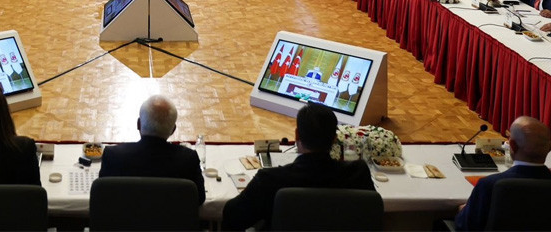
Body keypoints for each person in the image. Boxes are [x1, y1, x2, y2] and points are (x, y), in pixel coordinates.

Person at [221, 103, 373, 230]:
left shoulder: (269, 180)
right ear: (334, 139)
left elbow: (231, 215)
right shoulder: (358, 173)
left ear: (297, 135)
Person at [453, 117, 551, 231]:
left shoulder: (489, 185)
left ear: (512, 145)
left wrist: (463, 211)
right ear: (550, 147)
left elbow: (465, 227)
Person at [99, 95, 205, 203]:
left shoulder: (113, 156)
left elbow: (102, 196)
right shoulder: (188, 160)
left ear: (138, 124)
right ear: (173, 130)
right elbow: (199, 198)